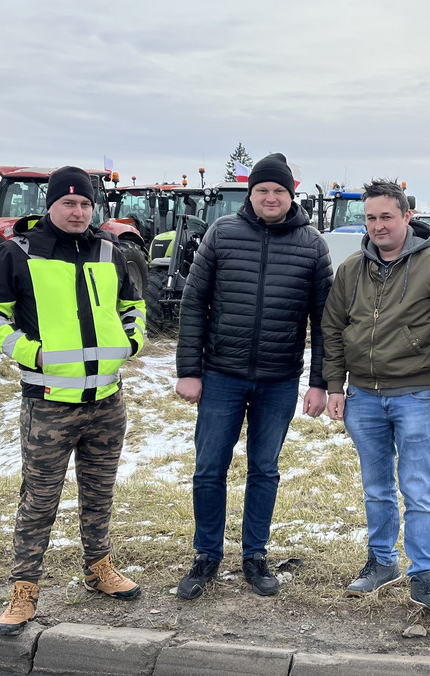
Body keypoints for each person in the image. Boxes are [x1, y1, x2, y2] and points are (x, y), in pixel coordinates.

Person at [0, 166, 146, 636]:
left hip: (107, 401)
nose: (78, 211)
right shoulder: (19, 252)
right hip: (49, 404)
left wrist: (133, 342)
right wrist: (32, 353)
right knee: (39, 501)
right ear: (50, 205)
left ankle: (99, 569)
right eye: (69, 203)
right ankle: (24, 589)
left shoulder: (109, 251)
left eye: (85, 204)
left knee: (99, 494)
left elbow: (133, 305)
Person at [174, 153, 333, 600]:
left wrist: (319, 381)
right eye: (262, 189)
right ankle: (206, 555)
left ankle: (255, 555)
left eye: (278, 191)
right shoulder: (222, 233)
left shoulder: (311, 244)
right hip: (221, 375)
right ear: (251, 193)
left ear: (290, 195)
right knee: (209, 468)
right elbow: (194, 303)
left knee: (264, 468)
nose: (270, 197)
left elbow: (325, 320)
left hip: (279, 379)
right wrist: (189, 370)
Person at [322, 179, 430, 622]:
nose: (377, 226)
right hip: (364, 397)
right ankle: (382, 561)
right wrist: (335, 386)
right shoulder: (351, 269)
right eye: (370, 218)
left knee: (418, 490)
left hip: (416, 395)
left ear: (408, 216)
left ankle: (424, 578)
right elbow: (332, 328)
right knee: (376, 488)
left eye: (386, 216)